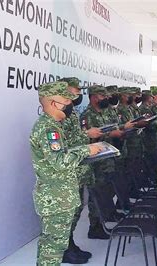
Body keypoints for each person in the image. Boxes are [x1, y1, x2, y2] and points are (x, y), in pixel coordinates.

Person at [29, 81, 101, 266]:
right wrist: (87, 150)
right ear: (54, 103)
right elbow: (60, 162)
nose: (70, 104)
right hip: (55, 199)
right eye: (66, 100)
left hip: (60, 197)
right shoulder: (48, 129)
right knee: (52, 250)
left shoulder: (54, 125)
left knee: (53, 246)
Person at [58, 77, 103, 263]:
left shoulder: (73, 112)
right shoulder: (59, 115)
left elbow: (75, 137)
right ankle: (64, 247)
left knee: (77, 210)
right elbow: (63, 145)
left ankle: (69, 243)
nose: (78, 95)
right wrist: (87, 135)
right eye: (75, 91)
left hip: (80, 167)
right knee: (69, 213)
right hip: (70, 171)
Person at [80, 85, 126, 239]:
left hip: (108, 161)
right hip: (96, 164)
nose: (106, 98)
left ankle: (104, 218)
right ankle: (95, 227)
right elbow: (87, 141)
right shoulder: (87, 116)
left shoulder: (104, 113)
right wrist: (110, 134)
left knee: (106, 192)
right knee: (96, 196)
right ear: (93, 97)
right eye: (102, 96)